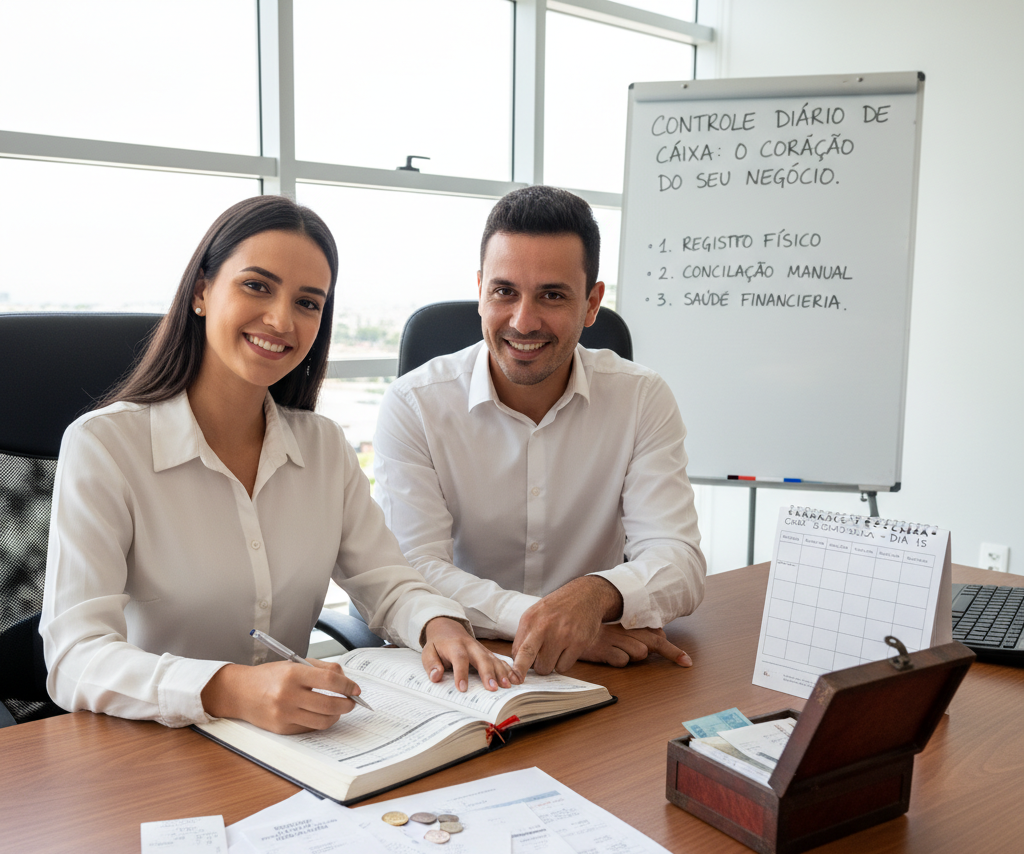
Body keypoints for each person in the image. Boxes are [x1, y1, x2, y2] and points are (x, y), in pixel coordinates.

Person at [40, 195, 515, 735]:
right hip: (155, 748)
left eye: (309, 302)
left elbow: (387, 582)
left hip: (296, 748)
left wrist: (438, 622)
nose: (282, 319)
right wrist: (229, 688)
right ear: (201, 292)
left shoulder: (323, 447)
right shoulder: (104, 446)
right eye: (257, 286)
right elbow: (74, 658)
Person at [374, 185, 706, 680]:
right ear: (482, 291)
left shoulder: (641, 398)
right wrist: (554, 623)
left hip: (601, 673)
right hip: (466, 664)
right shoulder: (414, 404)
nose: (523, 321)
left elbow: (679, 560)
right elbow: (414, 570)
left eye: (552, 295)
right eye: (504, 291)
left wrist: (596, 597)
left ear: (592, 304)